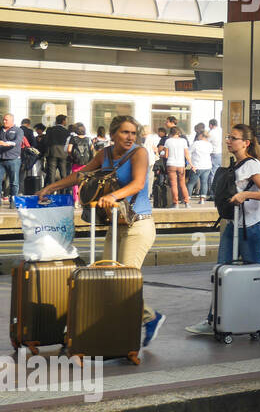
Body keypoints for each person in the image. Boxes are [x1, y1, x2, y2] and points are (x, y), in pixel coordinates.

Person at [38, 115, 165, 348]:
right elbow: (81, 175)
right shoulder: (104, 154)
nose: (130, 137)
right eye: (125, 132)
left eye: (133, 133)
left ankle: (145, 320)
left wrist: (113, 195)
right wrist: (52, 186)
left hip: (138, 225)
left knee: (123, 283)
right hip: (115, 224)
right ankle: (140, 320)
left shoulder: (139, 153)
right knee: (107, 279)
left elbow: (137, 184)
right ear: (113, 134)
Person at [186, 124, 260, 335]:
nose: (229, 141)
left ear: (246, 143)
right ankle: (212, 321)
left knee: (257, 273)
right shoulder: (235, 165)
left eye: (233, 138)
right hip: (234, 224)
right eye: (228, 137)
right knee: (221, 271)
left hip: (252, 227)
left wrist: (245, 195)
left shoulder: (252, 165)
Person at [163, 126, 191, 208]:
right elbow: (186, 154)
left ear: (171, 133)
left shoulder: (168, 141)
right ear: (179, 133)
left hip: (171, 164)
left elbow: (166, 155)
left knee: (174, 185)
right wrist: (191, 164)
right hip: (181, 165)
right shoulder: (183, 141)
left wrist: (161, 154)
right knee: (182, 184)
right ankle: (187, 202)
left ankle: (175, 203)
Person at [67, 123, 94, 204]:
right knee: (86, 181)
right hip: (87, 163)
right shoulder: (89, 139)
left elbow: (69, 150)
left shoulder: (73, 138)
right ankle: (85, 199)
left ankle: (76, 200)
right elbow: (92, 150)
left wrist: (72, 156)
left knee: (75, 181)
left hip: (76, 163)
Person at [0, 113, 22, 205]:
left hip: (13, 159)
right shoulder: (0, 129)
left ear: (12, 121)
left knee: (14, 182)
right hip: (1, 159)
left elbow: (17, 142)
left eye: (6, 120)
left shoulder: (18, 130)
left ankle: (13, 202)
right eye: (4, 119)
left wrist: (6, 143)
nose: (4, 121)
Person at [44, 114, 70, 186]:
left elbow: (45, 141)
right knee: (63, 174)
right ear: (63, 121)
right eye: (65, 120)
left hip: (52, 153)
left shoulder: (50, 130)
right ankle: (63, 191)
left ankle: (51, 191)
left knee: (51, 174)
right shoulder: (66, 131)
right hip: (63, 154)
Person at [190, 125, 214, 201]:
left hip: (197, 165)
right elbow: (211, 152)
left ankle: (187, 198)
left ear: (200, 135)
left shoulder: (196, 143)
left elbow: (188, 152)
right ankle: (202, 199)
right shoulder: (209, 144)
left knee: (191, 183)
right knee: (204, 182)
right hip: (207, 166)